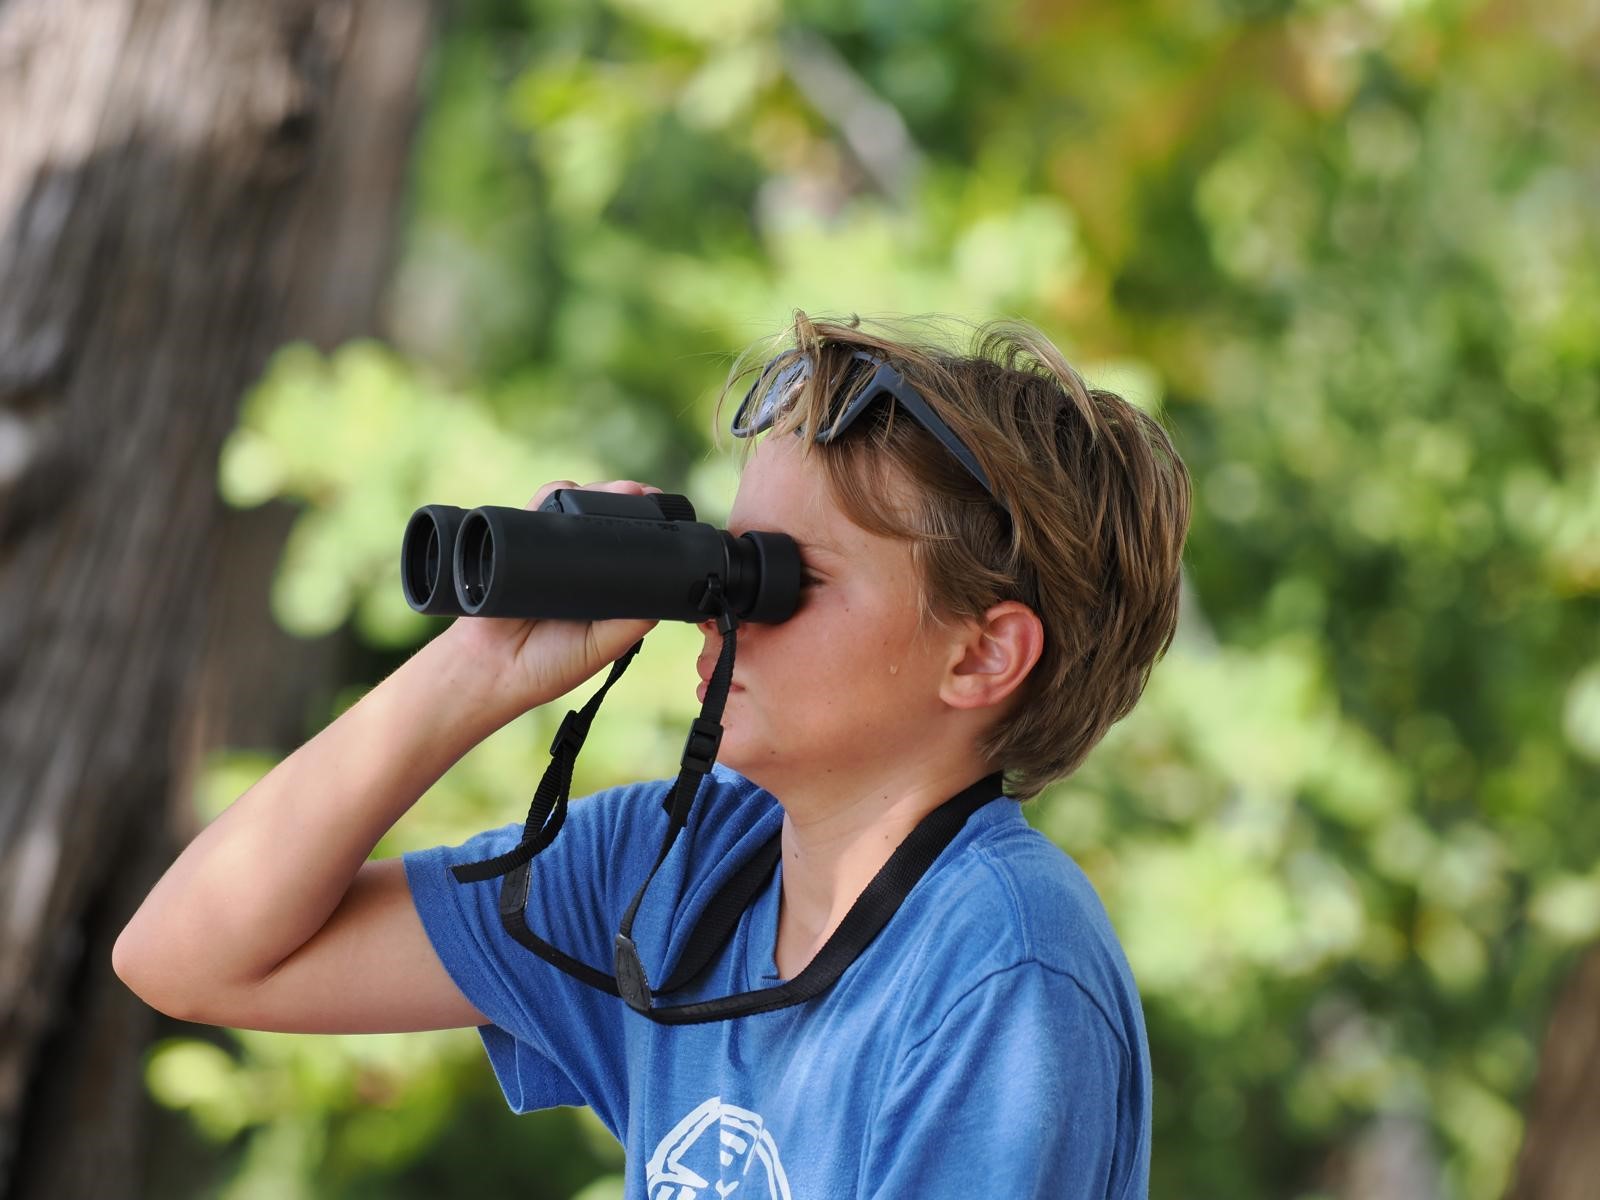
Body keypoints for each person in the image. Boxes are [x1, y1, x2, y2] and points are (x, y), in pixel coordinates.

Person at [114, 312, 1192, 1198]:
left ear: (981, 656)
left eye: (781, 576)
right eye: (726, 559)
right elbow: (190, 957)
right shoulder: (680, 871)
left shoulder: (1002, 963)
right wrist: (475, 671)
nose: (718, 615)